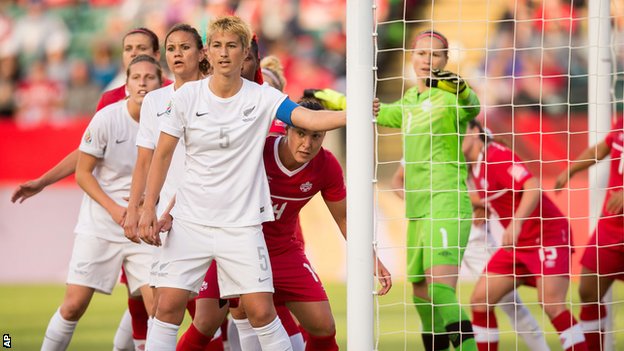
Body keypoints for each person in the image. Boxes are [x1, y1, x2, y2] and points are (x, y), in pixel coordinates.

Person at [137, 16, 347, 351]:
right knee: (168, 307)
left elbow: (306, 119)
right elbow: (161, 155)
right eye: (217, 45)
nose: (224, 53)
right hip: (191, 221)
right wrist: (149, 207)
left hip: (243, 226)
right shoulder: (187, 97)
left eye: (232, 46)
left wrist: (356, 113)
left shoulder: (263, 97)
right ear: (207, 51)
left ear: (244, 52)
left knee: (262, 312)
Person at [180, 98, 392, 351]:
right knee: (205, 323)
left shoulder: (326, 166)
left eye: (316, 136)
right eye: (301, 133)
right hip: (234, 247)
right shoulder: (258, 150)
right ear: (287, 129)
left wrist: (373, 259)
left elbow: (344, 218)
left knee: (324, 327)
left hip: (283, 253)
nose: (307, 143)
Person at [10, 27, 166, 351]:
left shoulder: (172, 109)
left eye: (141, 49)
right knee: (74, 304)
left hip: (145, 223)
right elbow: (86, 160)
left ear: (157, 63)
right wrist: (43, 181)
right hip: (106, 220)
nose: (140, 80)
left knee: (160, 309)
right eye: (128, 49)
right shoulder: (110, 108)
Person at [370, 30, 480, 351]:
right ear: (411, 57)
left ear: (445, 61)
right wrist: (336, 101)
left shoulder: (450, 98)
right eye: (421, 54)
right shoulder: (409, 101)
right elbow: (384, 113)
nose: (427, 60)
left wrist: (463, 91)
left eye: (435, 55)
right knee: (420, 295)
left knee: (441, 291)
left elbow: (471, 107)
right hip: (417, 212)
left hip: (445, 204)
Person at [123, 23, 226, 351]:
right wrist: (137, 209)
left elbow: (210, 164)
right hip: (168, 222)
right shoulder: (155, 100)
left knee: (220, 313)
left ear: (201, 52)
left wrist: (166, 210)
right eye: (171, 48)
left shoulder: (219, 94)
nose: (177, 54)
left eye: (185, 47)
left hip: (213, 214)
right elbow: (145, 160)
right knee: (164, 307)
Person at [391, 162, 551, 350]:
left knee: (509, 303)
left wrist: (484, 200)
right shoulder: (418, 139)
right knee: (433, 301)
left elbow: (492, 169)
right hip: (436, 228)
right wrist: (419, 204)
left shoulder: (466, 138)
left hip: (476, 238)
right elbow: (397, 180)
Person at [464, 119, 588, 351]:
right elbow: (496, 194)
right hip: (519, 244)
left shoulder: (497, 156)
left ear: (474, 131)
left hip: (546, 234)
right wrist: (484, 205)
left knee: (551, 304)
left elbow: (533, 186)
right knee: (480, 300)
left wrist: (516, 224)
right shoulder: (474, 167)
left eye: (459, 131)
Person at [554, 116, 624, 351]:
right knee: (588, 291)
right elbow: (603, 148)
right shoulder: (622, 121)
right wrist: (572, 169)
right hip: (611, 225)